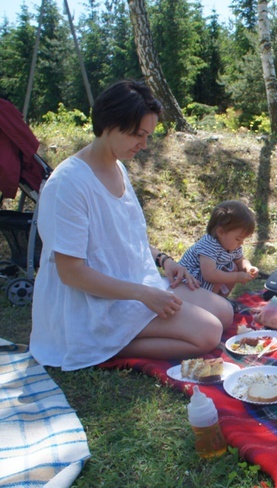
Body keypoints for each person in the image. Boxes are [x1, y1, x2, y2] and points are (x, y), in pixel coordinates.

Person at [29, 80, 233, 371]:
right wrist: (143, 294)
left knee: (224, 312)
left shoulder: (117, 167)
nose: (144, 145)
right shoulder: (68, 184)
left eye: (148, 135)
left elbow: (122, 238)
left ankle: (117, 337)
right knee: (209, 332)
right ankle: (100, 346)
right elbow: (71, 272)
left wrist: (164, 260)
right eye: (138, 135)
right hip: (91, 305)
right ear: (110, 124)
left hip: (133, 286)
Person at [179, 200, 259, 297]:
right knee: (221, 273)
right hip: (189, 282)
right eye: (238, 239)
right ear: (221, 232)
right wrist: (236, 277)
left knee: (233, 267)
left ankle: (221, 300)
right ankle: (208, 304)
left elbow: (240, 260)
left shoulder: (233, 245)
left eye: (243, 239)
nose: (241, 243)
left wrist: (248, 268)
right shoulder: (208, 245)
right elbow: (209, 275)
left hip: (205, 281)